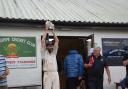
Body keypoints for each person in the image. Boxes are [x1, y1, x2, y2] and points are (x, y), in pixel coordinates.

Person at [41, 21, 60, 89]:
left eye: (51, 46)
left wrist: (53, 31)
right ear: (47, 47)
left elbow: (57, 40)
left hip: (55, 73)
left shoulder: (54, 52)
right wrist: (46, 30)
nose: (50, 47)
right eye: (49, 46)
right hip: (47, 73)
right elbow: (43, 40)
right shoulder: (44, 52)